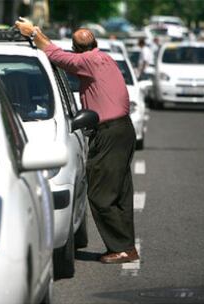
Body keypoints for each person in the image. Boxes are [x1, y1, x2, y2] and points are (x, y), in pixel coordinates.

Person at [15, 17, 139, 264]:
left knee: (101, 194)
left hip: (110, 132)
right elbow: (59, 54)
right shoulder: (101, 58)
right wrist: (37, 34)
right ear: (94, 43)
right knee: (119, 193)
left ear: (77, 48)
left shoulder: (88, 62)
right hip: (121, 129)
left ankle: (122, 248)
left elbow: (58, 57)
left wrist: (34, 32)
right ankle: (125, 246)